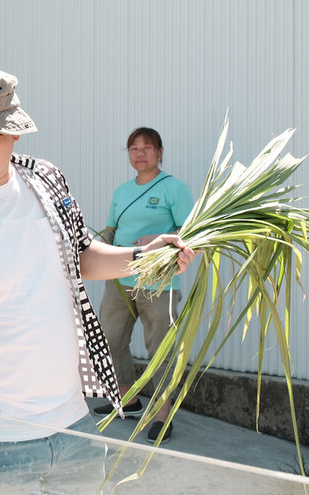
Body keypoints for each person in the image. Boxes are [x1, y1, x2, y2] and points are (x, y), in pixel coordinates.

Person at [0, 68, 195, 493]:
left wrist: (145, 258)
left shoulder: (46, 180)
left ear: (14, 133)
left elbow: (81, 255)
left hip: (75, 426)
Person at [92, 127, 194, 444]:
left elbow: (190, 231)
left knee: (160, 349)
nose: (140, 153)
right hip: (119, 281)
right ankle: (128, 399)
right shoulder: (122, 191)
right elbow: (111, 229)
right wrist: (96, 245)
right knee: (110, 339)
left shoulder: (173, 188)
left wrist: (158, 239)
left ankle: (163, 414)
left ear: (160, 152)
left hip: (158, 284)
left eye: (147, 147)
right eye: (134, 148)